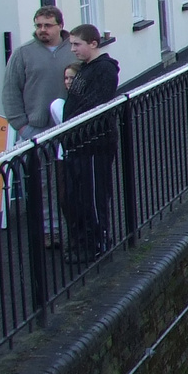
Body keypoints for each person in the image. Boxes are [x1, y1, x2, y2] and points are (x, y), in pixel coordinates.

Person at [62, 24, 120, 259]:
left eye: (77, 44)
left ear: (93, 44)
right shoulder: (86, 69)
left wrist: (69, 128)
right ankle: (85, 241)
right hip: (79, 143)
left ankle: (98, 242)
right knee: (79, 194)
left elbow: (94, 104)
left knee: (94, 195)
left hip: (95, 143)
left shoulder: (104, 70)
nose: (73, 49)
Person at [1, 6, 78, 146]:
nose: (42, 29)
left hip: (71, 123)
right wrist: (21, 127)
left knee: (71, 167)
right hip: (35, 129)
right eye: (39, 25)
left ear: (60, 26)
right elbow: (10, 91)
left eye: (47, 25)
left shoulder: (74, 50)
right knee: (40, 168)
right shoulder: (22, 54)